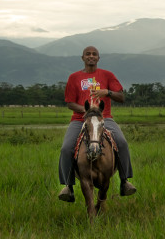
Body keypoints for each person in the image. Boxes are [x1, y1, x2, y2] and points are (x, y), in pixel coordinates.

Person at [57, 46, 136, 202]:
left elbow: (121, 97)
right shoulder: (74, 77)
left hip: (104, 118)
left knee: (122, 142)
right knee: (66, 148)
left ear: (98, 58)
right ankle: (68, 186)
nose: (91, 56)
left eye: (94, 54)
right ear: (83, 58)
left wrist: (107, 92)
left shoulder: (107, 75)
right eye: (88, 54)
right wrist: (88, 111)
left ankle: (124, 181)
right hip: (80, 119)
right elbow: (70, 103)